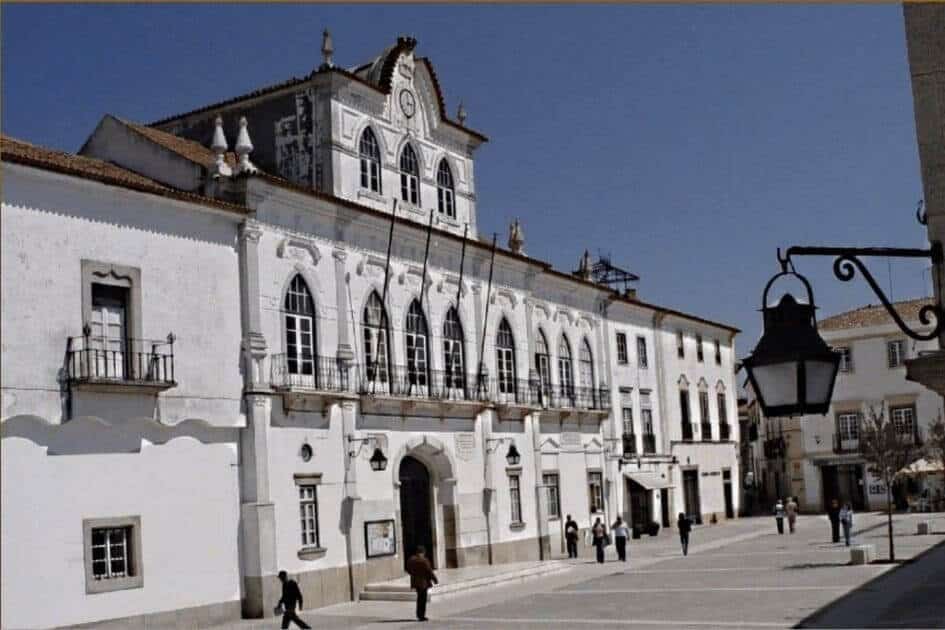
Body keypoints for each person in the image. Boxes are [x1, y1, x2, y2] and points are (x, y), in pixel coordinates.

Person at [405, 545, 438, 621]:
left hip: (416, 582)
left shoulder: (411, 560)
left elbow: (408, 569)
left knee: (419, 598)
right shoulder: (424, 560)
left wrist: (413, 574)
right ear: (422, 552)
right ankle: (421, 615)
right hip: (424, 582)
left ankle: (419, 614)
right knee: (423, 599)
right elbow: (429, 571)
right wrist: (435, 579)